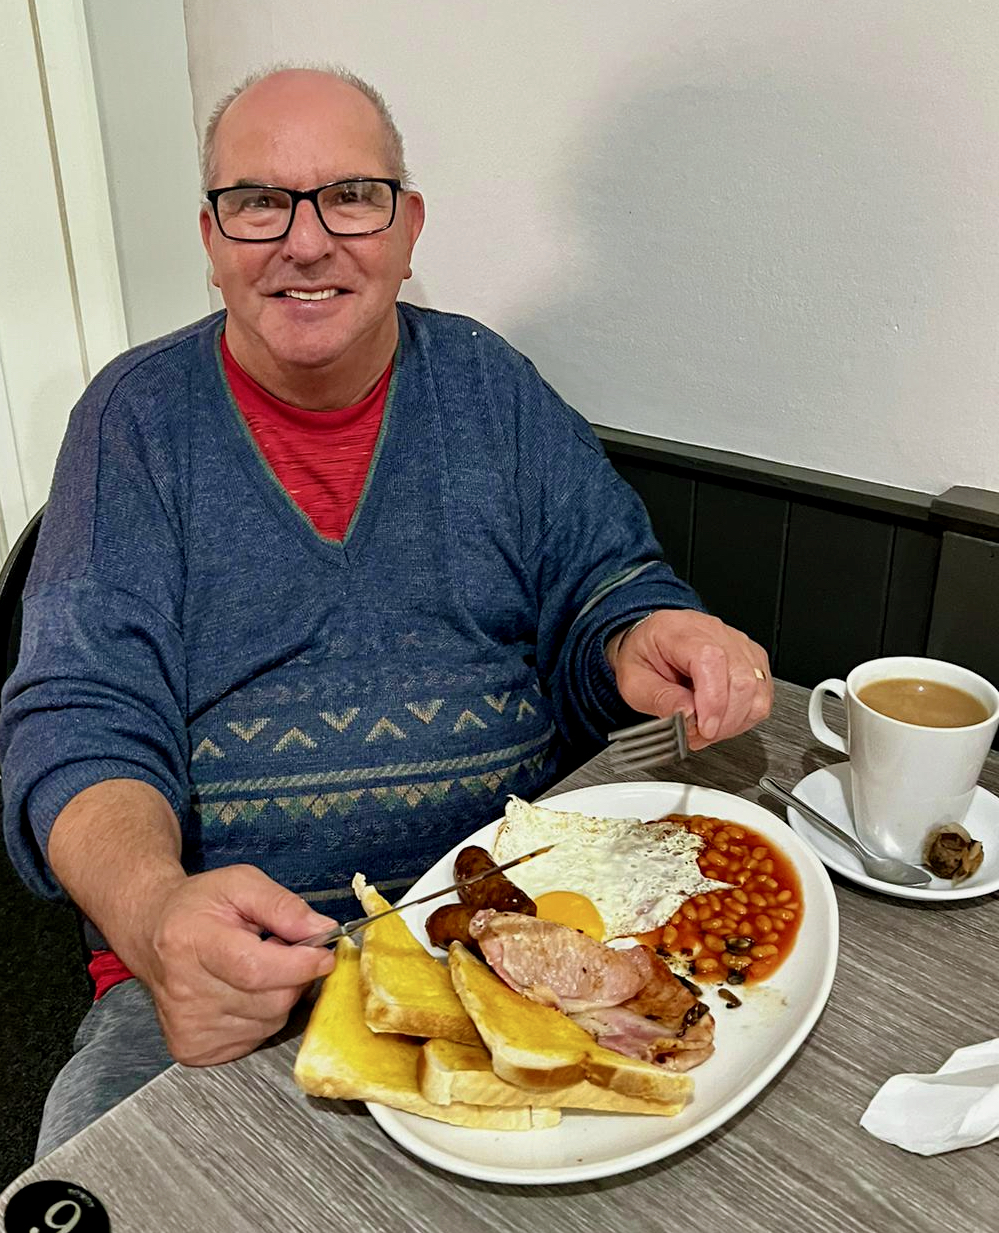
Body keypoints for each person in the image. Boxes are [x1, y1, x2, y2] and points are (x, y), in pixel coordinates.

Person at [0, 65, 772, 1157]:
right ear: (212, 238)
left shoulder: (490, 385)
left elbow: (608, 586)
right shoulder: (133, 422)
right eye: (259, 202)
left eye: (350, 196)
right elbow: (77, 716)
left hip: (516, 931)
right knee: (96, 1171)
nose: (305, 242)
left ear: (408, 227)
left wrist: (642, 634)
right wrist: (154, 916)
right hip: (247, 973)